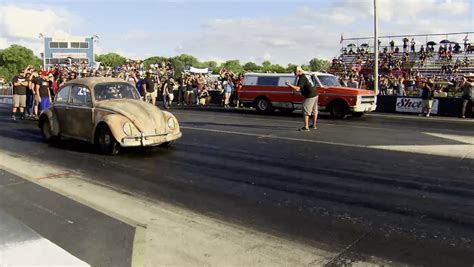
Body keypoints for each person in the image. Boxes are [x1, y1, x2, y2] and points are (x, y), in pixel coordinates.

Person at [287, 66, 318, 131]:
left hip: (310, 95)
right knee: (314, 110)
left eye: (295, 72)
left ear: (299, 71)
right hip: (315, 94)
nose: (294, 73)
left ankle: (306, 127)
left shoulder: (302, 78)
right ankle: (314, 125)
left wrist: (289, 85)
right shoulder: (306, 75)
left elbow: (298, 88)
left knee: (305, 110)